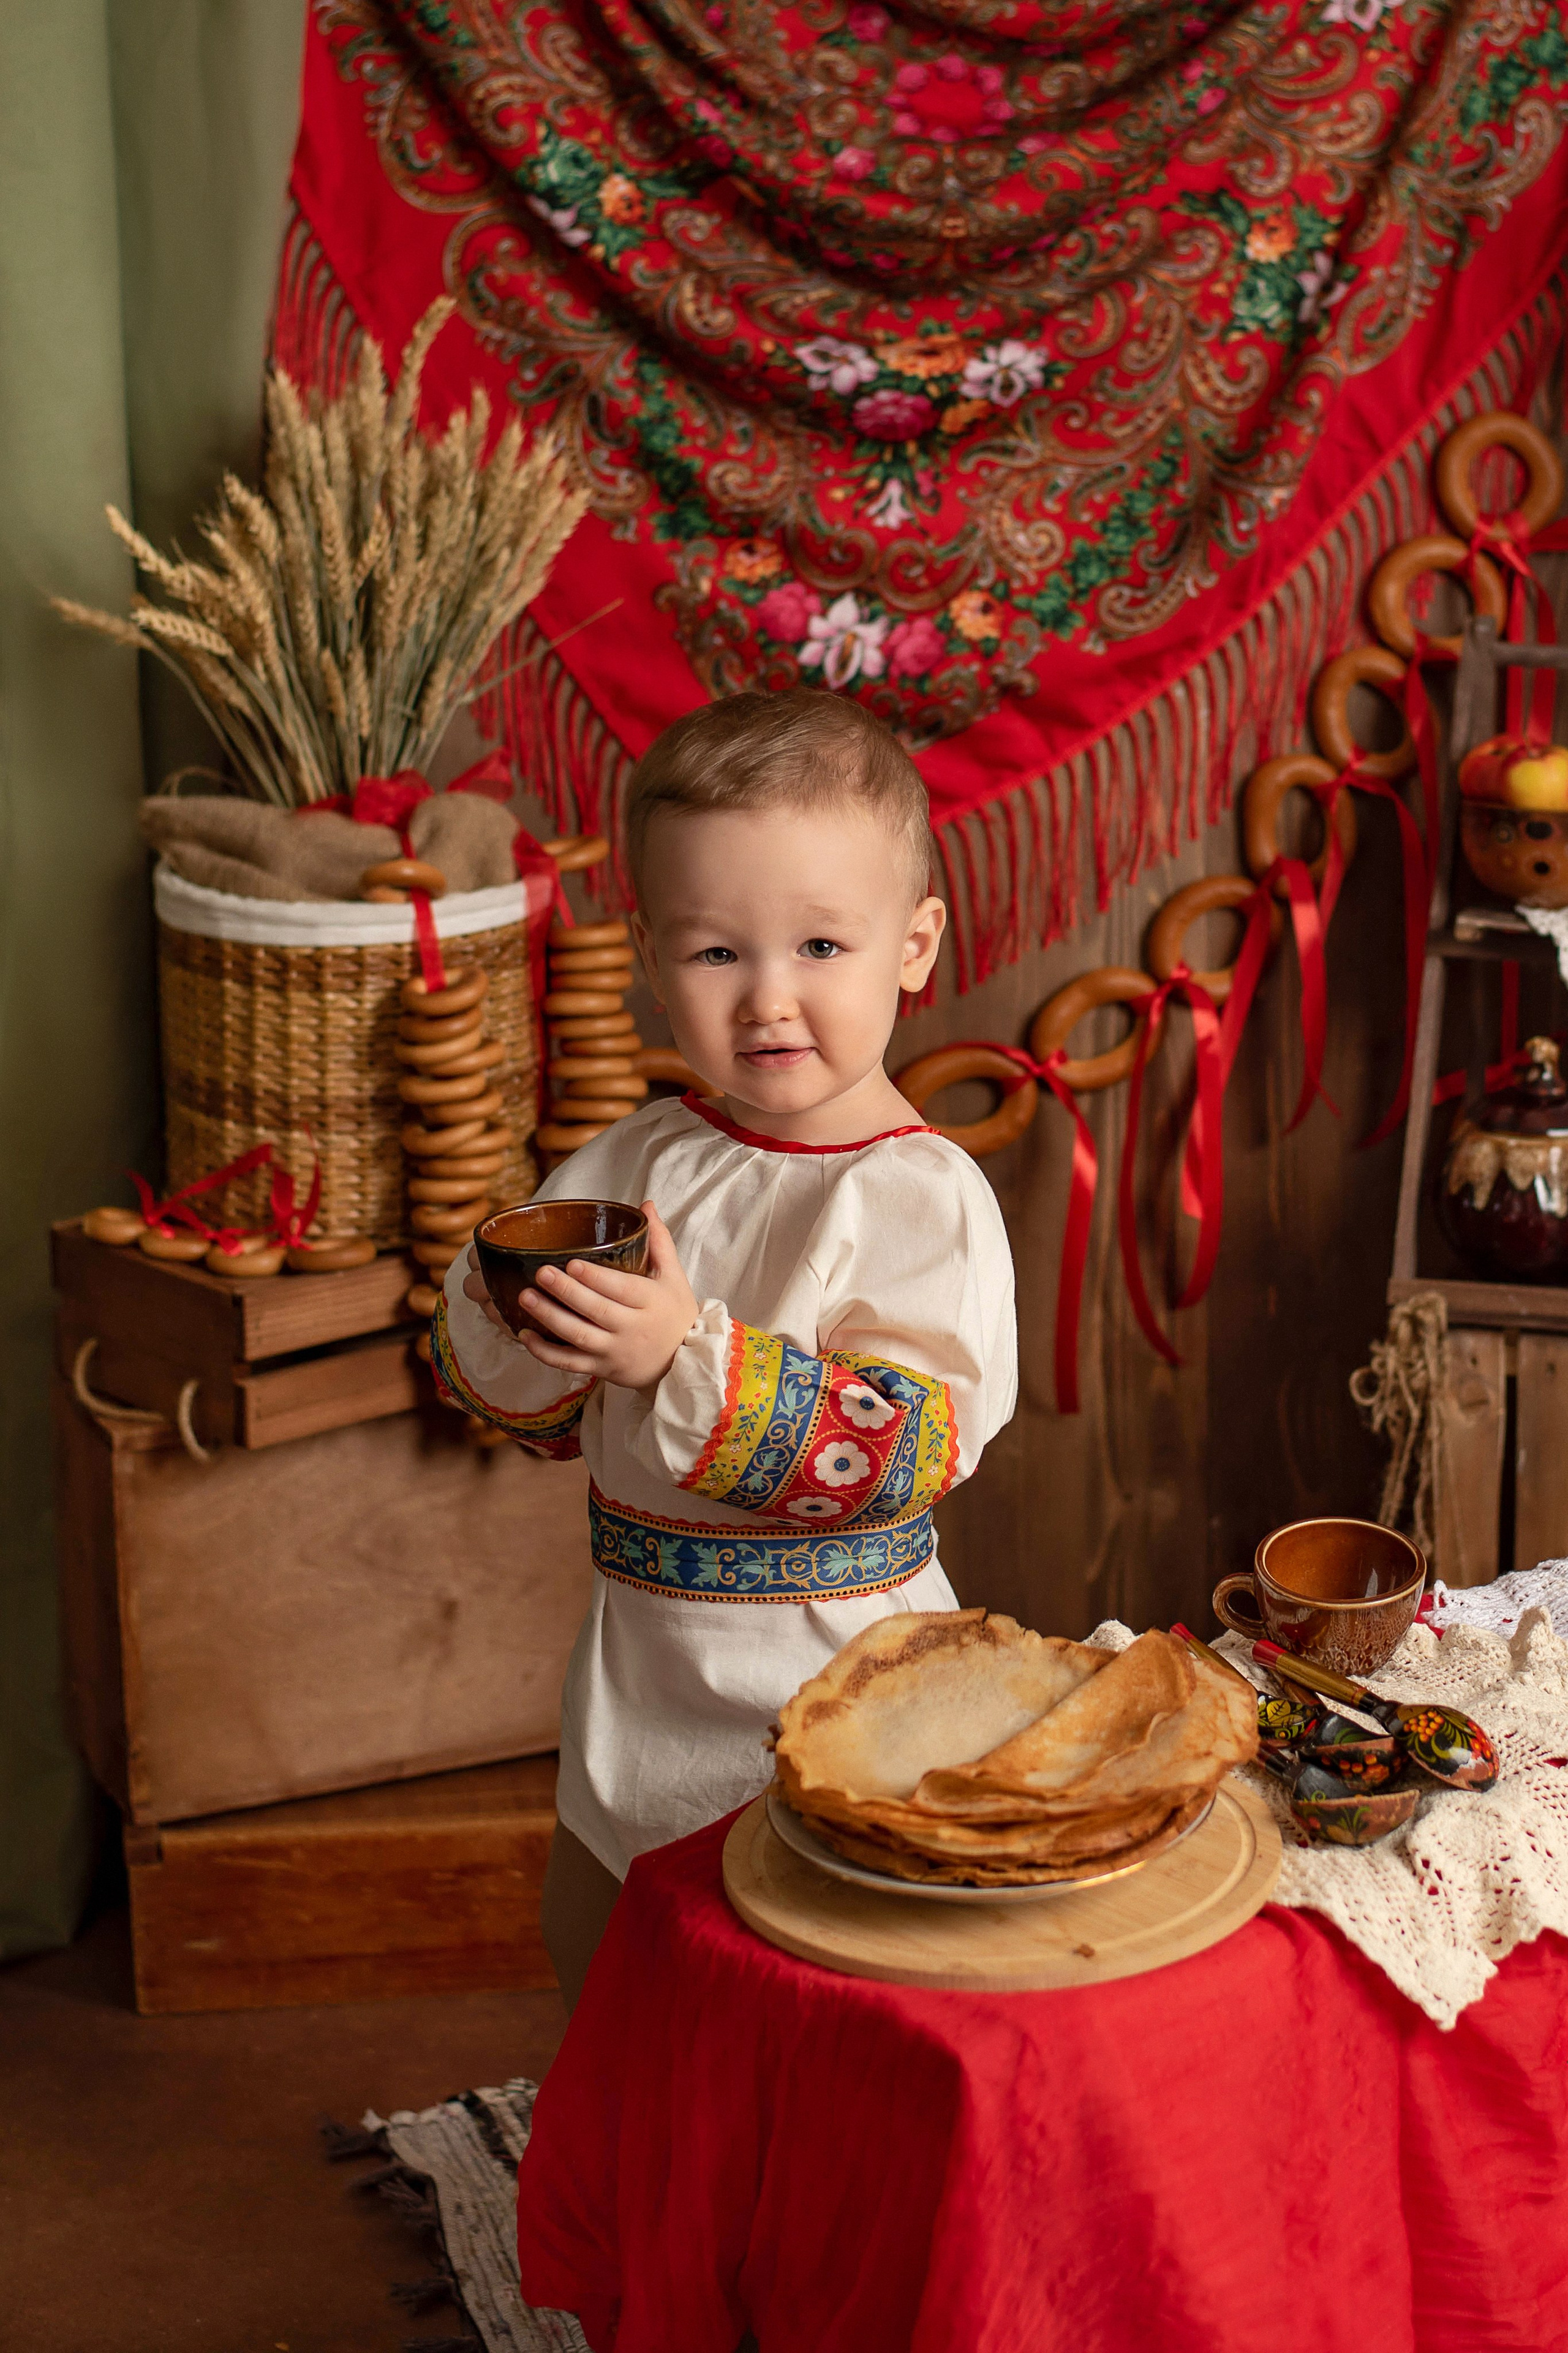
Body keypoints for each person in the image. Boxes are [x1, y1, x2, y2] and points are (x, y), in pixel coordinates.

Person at [432, 687, 1017, 2007]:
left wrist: (682, 1357)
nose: (768, 999)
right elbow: (519, 1408)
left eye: (820, 944)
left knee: (792, 1981)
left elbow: (907, 1449)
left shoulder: (915, 1198)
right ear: (650, 957)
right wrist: (510, 1303)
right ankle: (641, 2198)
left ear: (911, 945)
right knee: (601, 1946)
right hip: (639, 1666)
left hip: (829, 1680)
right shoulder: (641, 1160)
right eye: (714, 955)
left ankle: (787, 2204)